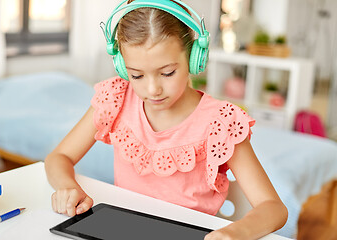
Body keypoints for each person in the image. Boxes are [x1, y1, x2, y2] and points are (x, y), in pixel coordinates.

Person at [44, 0, 288, 239]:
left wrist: (237, 232)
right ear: (121, 66)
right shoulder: (116, 98)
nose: (153, 89)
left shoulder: (221, 122)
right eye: (137, 75)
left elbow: (273, 208)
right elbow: (59, 157)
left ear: (194, 57)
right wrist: (67, 187)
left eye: (167, 72)